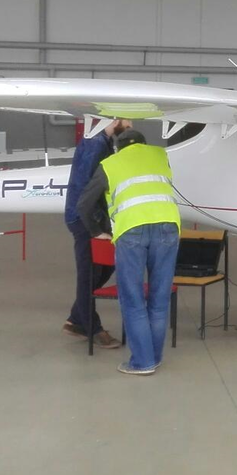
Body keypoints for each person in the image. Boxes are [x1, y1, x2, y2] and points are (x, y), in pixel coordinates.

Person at [78, 128, 181, 375]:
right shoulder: (160, 155)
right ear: (144, 144)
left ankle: (143, 362)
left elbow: (84, 204)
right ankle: (154, 358)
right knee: (159, 299)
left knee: (133, 299)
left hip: (131, 230)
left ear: (118, 148)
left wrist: (96, 231)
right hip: (168, 227)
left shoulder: (109, 164)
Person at [62, 117, 130, 349]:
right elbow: (85, 191)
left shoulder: (104, 143)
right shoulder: (96, 145)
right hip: (85, 220)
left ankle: (76, 319)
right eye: (128, 121)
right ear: (116, 120)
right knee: (89, 275)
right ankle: (93, 328)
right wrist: (95, 229)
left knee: (105, 268)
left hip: (93, 219)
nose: (131, 126)